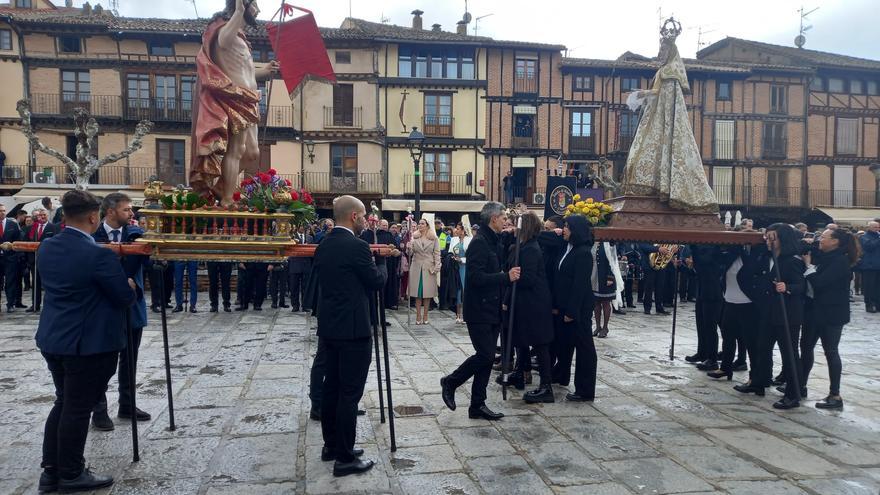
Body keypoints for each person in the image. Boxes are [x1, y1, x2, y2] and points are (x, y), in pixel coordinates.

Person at [35, 189, 138, 493]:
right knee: (78, 407)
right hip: (88, 343)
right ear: (94, 217)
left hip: (54, 337)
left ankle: (51, 471)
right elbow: (122, 297)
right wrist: (130, 285)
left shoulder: (47, 248)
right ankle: (70, 473)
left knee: (64, 402)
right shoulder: (97, 255)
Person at [311, 195, 384, 477]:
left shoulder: (324, 244)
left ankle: (332, 446)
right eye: (364, 215)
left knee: (331, 388)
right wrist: (382, 264)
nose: (366, 220)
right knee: (349, 394)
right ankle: (344, 458)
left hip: (329, 327)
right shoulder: (358, 246)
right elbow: (375, 282)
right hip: (353, 330)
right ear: (354, 216)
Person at [190, 0, 279, 203]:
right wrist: (239, 10)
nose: (258, 9)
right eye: (254, 4)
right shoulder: (222, 30)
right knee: (237, 150)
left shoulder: (241, 39)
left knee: (252, 152)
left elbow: (245, 71)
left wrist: (265, 71)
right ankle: (228, 199)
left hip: (249, 100)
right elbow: (223, 41)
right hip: (233, 98)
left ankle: (222, 185)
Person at [441, 202, 520, 420]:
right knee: (485, 355)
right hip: (479, 310)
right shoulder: (479, 243)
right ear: (493, 218)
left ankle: (477, 404)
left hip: (492, 309)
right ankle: (451, 381)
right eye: (503, 216)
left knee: (485, 359)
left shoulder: (494, 240)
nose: (506, 220)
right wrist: (506, 276)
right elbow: (475, 278)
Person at [91, 192, 152, 431]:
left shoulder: (136, 235)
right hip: (103, 308)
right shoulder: (93, 237)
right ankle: (99, 409)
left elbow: (147, 262)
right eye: (126, 210)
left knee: (130, 360)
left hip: (131, 307)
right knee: (102, 360)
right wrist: (119, 281)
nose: (131, 213)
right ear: (110, 212)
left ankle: (127, 404)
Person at [737, 224, 806, 409]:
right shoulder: (767, 257)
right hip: (768, 312)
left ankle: (793, 393)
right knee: (762, 348)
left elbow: (802, 286)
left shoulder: (792, 260)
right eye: (766, 237)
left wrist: (788, 287)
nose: (768, 240)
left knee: (789, 353)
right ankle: (759, 381)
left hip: (787, 314)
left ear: (782, 238)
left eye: (772, 237)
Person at [800, 229, 860, 410]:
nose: (819, 239)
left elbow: (820, 283)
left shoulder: (840, 261)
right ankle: (800, 384)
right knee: (806, 347)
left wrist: (809, 267)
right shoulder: (825, 256)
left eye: (824, 237)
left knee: (831, 351)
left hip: (831, 314)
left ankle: (835, 394)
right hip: (814, 312)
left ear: (835, 242)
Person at [504, 212, 555, 403]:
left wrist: (512, 276)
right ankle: (520, 372)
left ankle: (546, 386)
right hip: (524, 302)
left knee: (540, 344)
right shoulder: (521, 246)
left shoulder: (531, 249)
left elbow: (529, 278)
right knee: (521, 339)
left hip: (535, 303)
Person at [549, 214, 598, 402]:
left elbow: (579, 286)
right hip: (563, 306)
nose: (564, 230)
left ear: (576, 230)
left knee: (585, 349)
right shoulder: (568, 248)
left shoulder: (584, 253)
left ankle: (585, 390)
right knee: (564, 344)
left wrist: (571, 311)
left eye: (568, 227)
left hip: (578, 309)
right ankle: (561, 374)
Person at [407, 218, 441, 325]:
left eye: (422, 224)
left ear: (427, 225)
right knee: (418, 293)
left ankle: (425, 315)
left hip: (428, 266)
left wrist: (437, 267)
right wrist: (408, 248)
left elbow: (437, 253)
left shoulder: (434, 238)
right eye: (419, 224)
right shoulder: (414, 237)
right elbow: (410, 253)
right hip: (416, 266)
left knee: (427, 293)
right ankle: (418, 315)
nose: (420, 225)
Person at [26, 208, 59, 313]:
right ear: (37, 216)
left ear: (47, 215)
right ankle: (35, 305)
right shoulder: (32, 228)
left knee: (49, 285)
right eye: (40, 215)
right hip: (34, 261)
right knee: (35, 284)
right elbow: (27, 242)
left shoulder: (53, 227)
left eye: (44, 214)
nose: (42, 216)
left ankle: (50, 306)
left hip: (48, 261)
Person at [591, 241, 620, 338]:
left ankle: (605, 327)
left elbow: (613, 260)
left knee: (606, 302)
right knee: (596, 302)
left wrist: (610, 277)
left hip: (605, 276)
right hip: (594, 276)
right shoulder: (593, 243)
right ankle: (598, 326)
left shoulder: (609, 243)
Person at [0, 204, 23, 312]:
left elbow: (18, 241)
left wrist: (15, 255)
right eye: (0, 211)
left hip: (10, 258)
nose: (2, 212)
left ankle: (10, 304)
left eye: (4, 210)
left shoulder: (12, 224)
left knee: (10, 282)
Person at [637, 243, 671, 315]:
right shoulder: (646, 235)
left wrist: (672, 251)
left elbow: (667, 247)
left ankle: (659, 307)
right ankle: (647, 308)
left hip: (661, 265)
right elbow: (643, 246)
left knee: (660, 287)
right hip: (648, 265)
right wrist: (658, 249)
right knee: (648, 288)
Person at [448, 222, 471, 324]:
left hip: (465, 267)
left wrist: (462, 260)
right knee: (457, 289)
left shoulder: (470, 240)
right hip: (456, 268)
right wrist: (452, 258)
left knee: (465, 289)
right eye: (456, 228)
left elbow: (471, 255)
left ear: (463, 230)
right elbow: (450, 252)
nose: (455, 230)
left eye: (458, 229)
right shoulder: (453, 240)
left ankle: (466, 314)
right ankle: (458, 314)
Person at [288, 225, 314, 312]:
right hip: (295, 264)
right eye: (301, 226)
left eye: (304, 226)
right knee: (294, 286)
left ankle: (305, 305)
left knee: (306, 286)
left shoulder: (310, 238)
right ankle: (295, 305)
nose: (302, 228)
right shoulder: (292, 237)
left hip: (306, 264)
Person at [858, 221, 879, 313]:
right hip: (869, 266)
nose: (878, 229)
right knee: (869, 287)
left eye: (878, 227)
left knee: (878, 287)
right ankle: (869, 305)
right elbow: (869, 246)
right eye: (875, 227)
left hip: (878, 265)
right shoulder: (864, 236)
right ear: (869, 227)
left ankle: (878, 304)